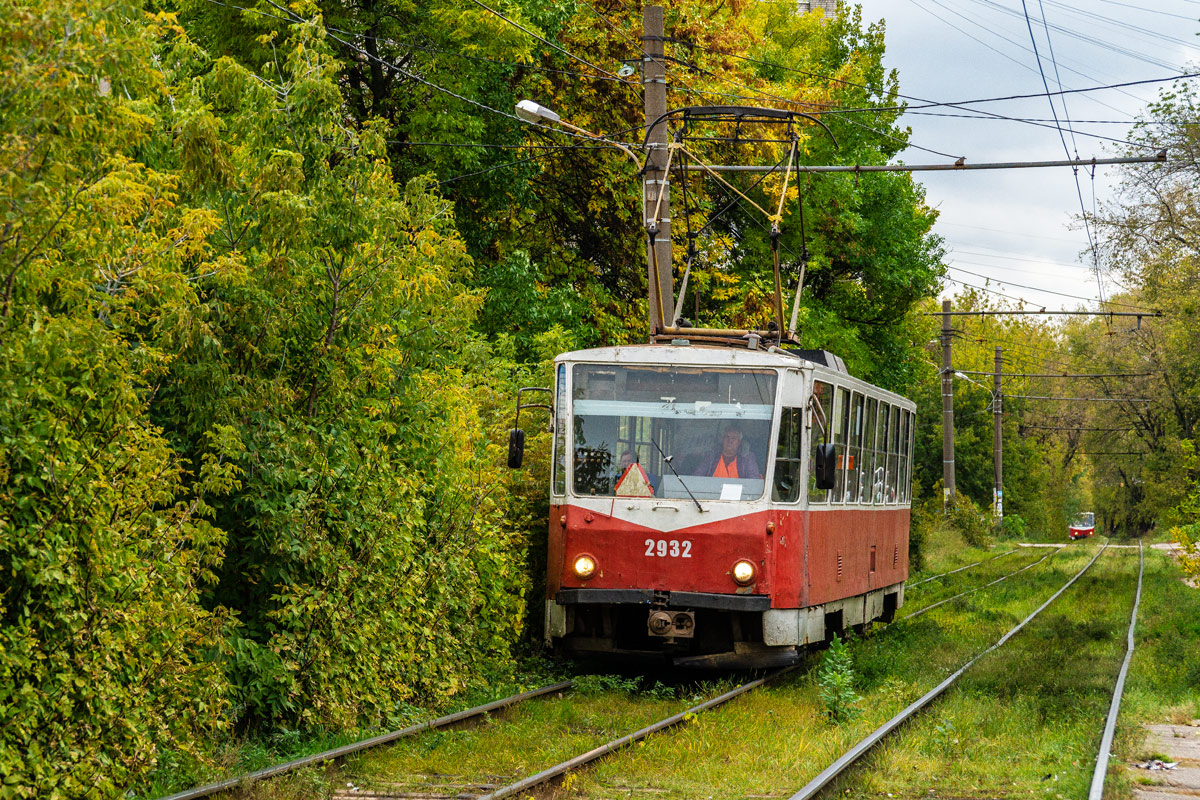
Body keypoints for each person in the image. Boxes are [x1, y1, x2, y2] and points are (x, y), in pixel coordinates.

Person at [693, 424, 761, 480]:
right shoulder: (711, 456)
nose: (729, 441)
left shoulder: (747, 457)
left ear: (739, 442)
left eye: (733, 438)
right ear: (723, 439)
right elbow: (697, 477)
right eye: (727, 437)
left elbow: (754, 480)